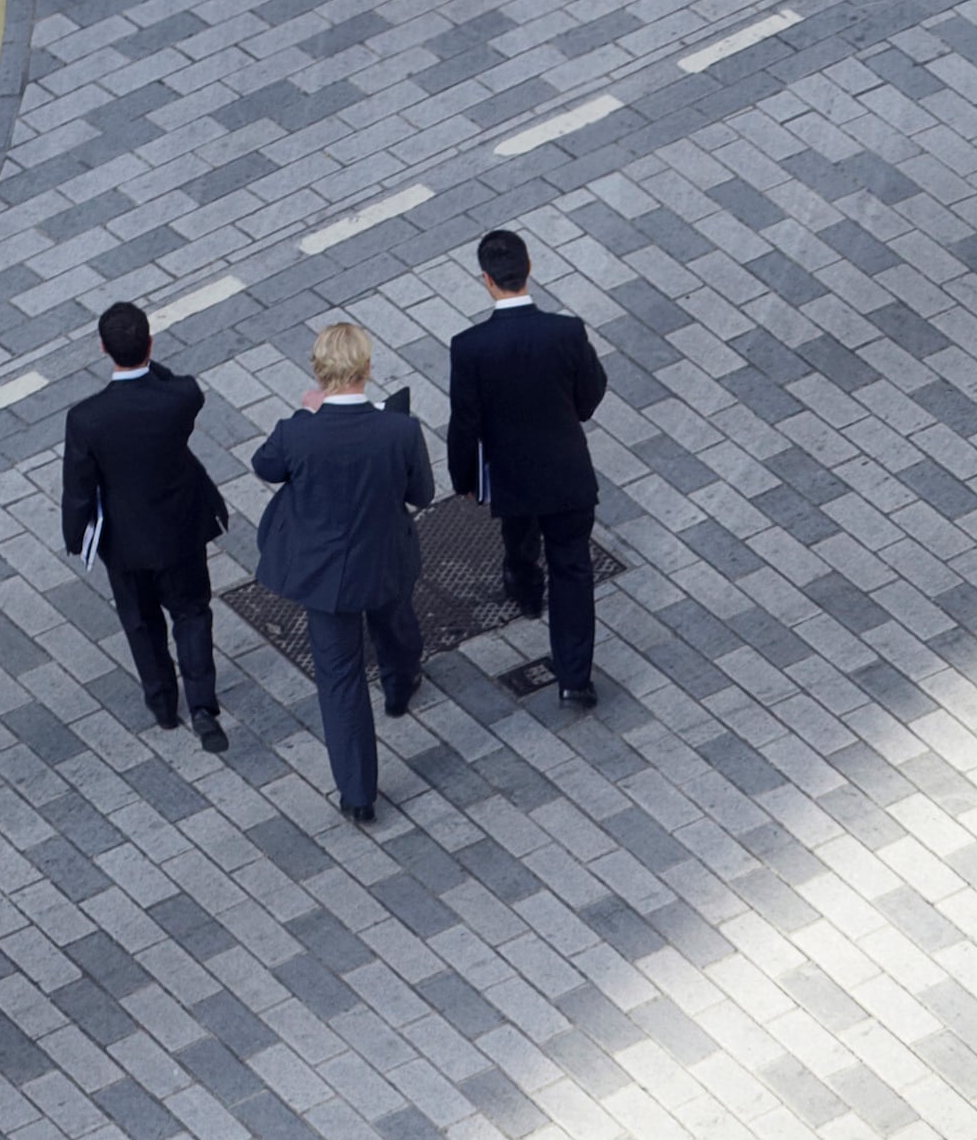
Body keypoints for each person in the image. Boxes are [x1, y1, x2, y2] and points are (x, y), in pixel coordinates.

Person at [250, 321, 439, 824]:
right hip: (384, 557)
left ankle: (358, 794)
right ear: (367, 368)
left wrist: (302, 414)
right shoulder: (400, 430)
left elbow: (265, 465)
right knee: (395, 623)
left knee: (339, 679)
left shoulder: (300, 432)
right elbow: (422, 494)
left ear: (319, 371)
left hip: (324, 575)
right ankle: (401, 685)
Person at [445, 229, 609, 710]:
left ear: (487, 280)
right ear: (529, 268)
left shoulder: (470, 347)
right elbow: (592, 389)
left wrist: (465, 481)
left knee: (518, 536)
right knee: (573, 568)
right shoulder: (566, 331)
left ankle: (524, 587)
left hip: (512, 475)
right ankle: (574, 678)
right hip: (566, 472)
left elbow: (465, 421)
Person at [58, 301, 231, 750]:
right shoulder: (180, 397)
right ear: (151, 343)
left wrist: (76, 537)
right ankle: (203, 707)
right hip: (180, 530)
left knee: (141, 621)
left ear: (102, 348)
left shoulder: (87, 419)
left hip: (125, 541)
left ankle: (163, 704)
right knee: (192, 613)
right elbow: (173, 381)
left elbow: (79, 488)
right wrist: (148, 365)